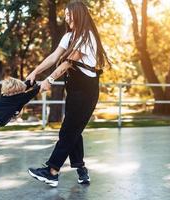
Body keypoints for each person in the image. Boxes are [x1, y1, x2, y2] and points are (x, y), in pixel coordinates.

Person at [27, 0, 110, 187]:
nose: (66, 17)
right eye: (64, 14)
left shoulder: (87, 37)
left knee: (68, 131)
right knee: (74, 130)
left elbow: (68, 63)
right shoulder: (69, 36)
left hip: (87, 91)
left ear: (78, 14)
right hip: (73, 90)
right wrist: (35, 72)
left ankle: (52, 171)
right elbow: (54, 57)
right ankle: (81, 169)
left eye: (68, 14)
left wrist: (49, 80)